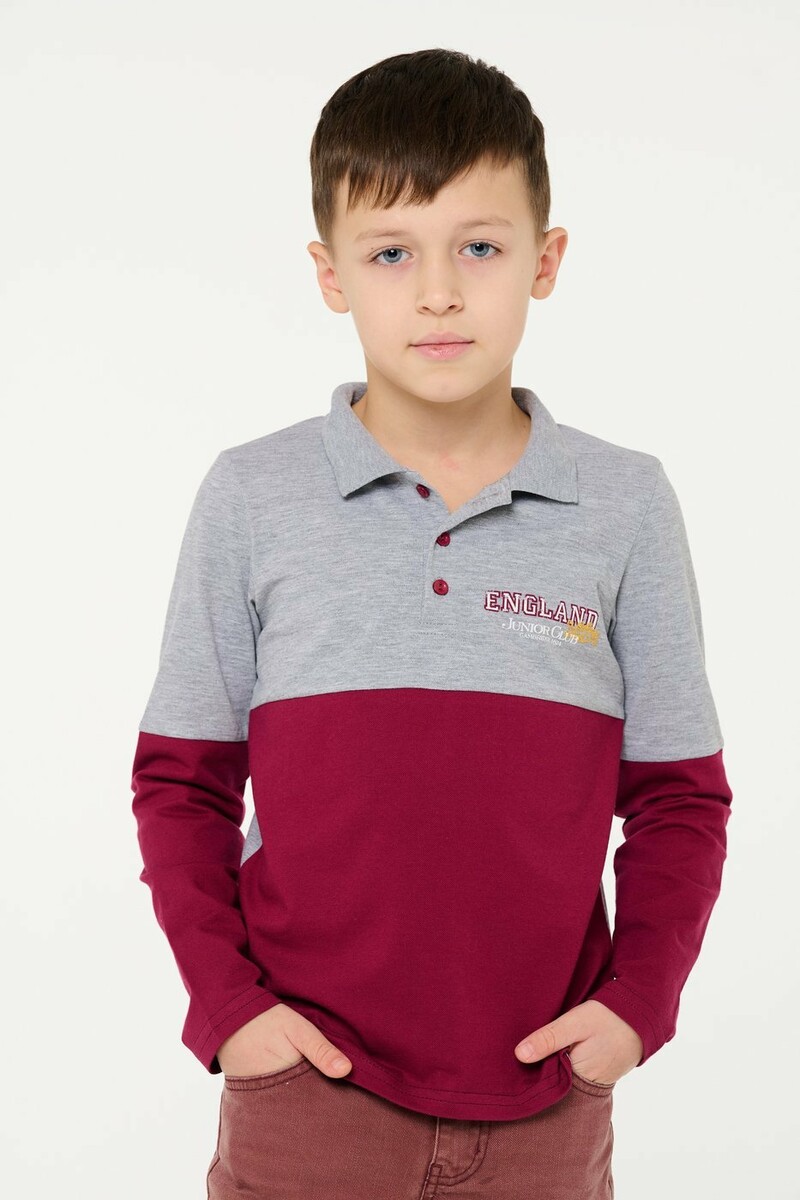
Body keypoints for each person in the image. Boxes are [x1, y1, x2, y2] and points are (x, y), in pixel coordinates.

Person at [130, 47, 733, 1199]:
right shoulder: (254, 496)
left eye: (479, 248)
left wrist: (635, 1008)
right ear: (330, 274)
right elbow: (181, 782)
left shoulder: (623, 504)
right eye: (392, 253)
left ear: (544, 260)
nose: (439, 292)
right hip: (306, 1096)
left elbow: (677, 797)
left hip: (546, 1098)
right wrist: (230, 1012)